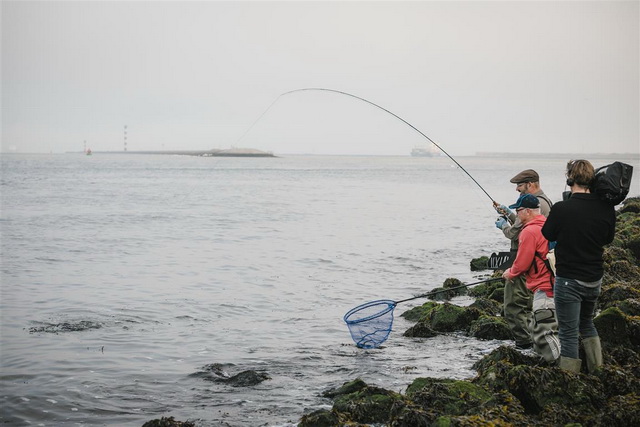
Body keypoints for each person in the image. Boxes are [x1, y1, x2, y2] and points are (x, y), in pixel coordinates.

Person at [541, 160, 616, 374]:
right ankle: (598, 371)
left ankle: (569, 379)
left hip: (569, 280)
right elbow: (608, 238)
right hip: (594, 278)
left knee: (568, 332)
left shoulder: (562, 208)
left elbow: (547, 234)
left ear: (569, 179)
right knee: (587, 324)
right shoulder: (606, 207)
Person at [493, 169, 553, 349]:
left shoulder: (537, 206)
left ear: (531, 184)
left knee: (514, 305)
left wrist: (504, 225)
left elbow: (515, 233)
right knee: (528, 304)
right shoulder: (545, 202)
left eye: (520, 185)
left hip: (529, 262)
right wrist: (509, 214)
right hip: (538, 263)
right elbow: (525, 223)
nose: (517, 189)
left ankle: (524, 344)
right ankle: (532, 341)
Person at [501, 194, 560, 362]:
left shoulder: (529, 231)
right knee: (557, 331)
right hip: (559, 285)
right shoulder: (549, 225)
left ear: (527, 211)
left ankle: (559, 369)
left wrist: (510, 273)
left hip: (544, 288)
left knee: (544, 334)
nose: (517, 214)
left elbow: (522, 263)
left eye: (518, 211)